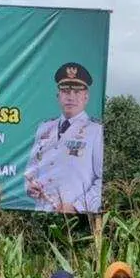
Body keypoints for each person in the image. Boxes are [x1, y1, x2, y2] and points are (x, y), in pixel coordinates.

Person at [24, 62, 103, 213]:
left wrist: (77, 206)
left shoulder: (96, 131)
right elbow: (31, 170)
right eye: (66, 91)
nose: (71, 97)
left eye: (77, 92)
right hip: (43, 212)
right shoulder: (44, 128)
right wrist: (30, 187)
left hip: (78, 217)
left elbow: (103, 180)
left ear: (86, 97)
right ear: (58, 96)